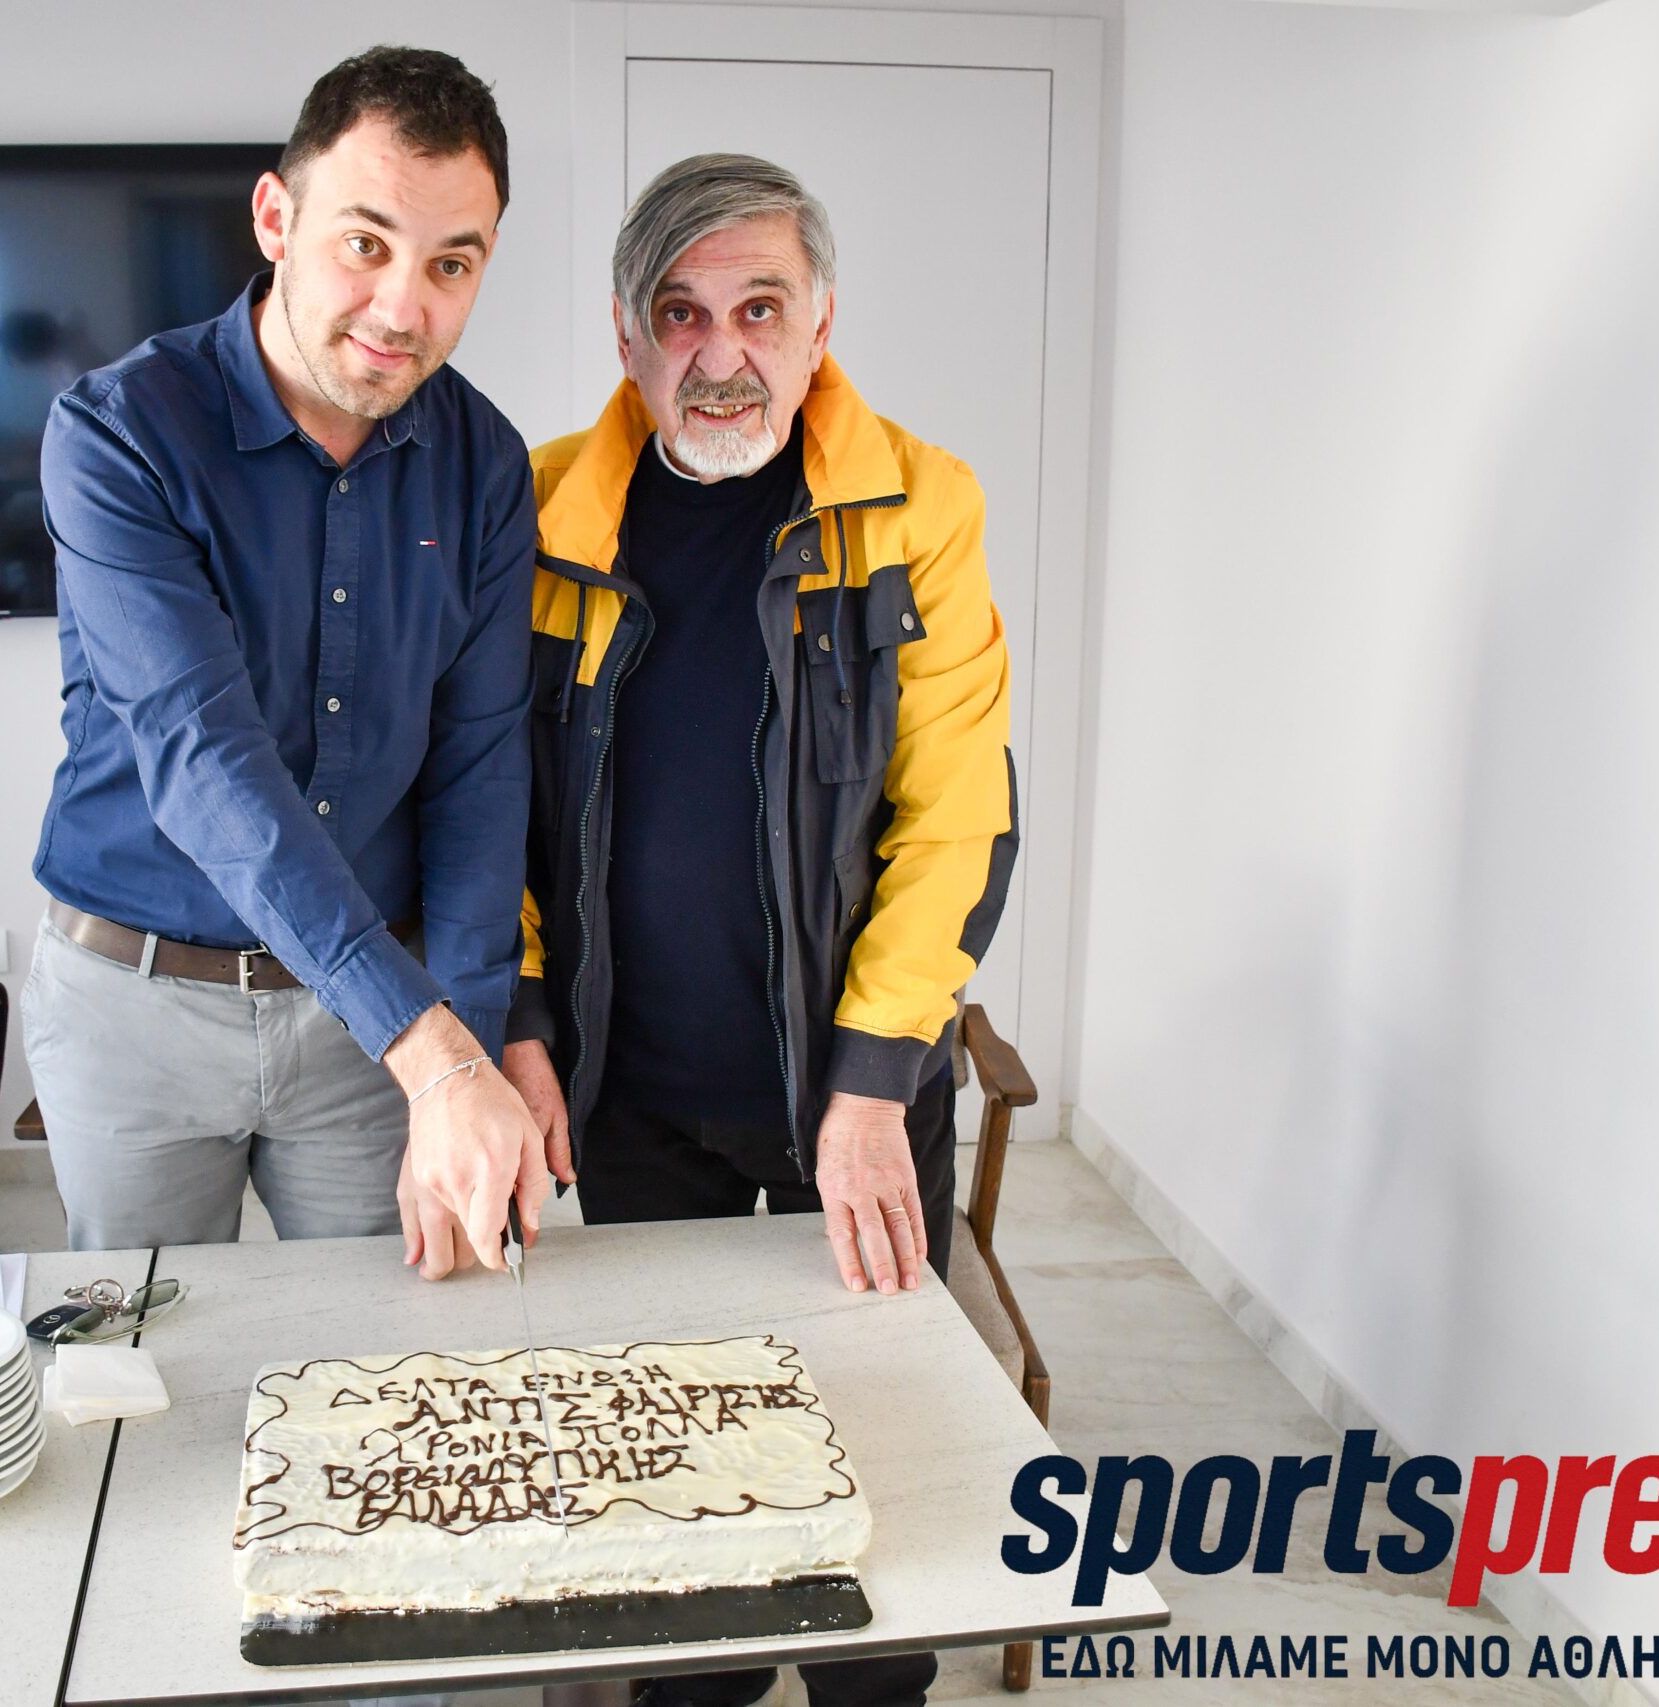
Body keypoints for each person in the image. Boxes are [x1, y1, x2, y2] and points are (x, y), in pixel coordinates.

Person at [501, 153, 1019, 1707]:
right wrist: (521, 1019)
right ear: (625, 334)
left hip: (851, 1096)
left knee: (884, 1487)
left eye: (759, 309)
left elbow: (957, 816)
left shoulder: (921, 504)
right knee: (683, 1480)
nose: (719, 352)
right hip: (635, 1098)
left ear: (820, 324)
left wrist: (871, 1084)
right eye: (680, 312)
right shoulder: (539, 512)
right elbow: (484, 802)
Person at [24, 46, 547, 1277]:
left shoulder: (485, 466)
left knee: (401, 1350)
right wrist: (434, 1051)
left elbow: (478, 773)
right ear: (275, 218)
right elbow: (207, 762)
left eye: (451, 264)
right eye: (366, 243)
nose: (402, 309)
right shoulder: (118, 434)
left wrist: (464, 1048)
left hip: (372, 1030)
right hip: (136, 1005)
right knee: (144, 1352)